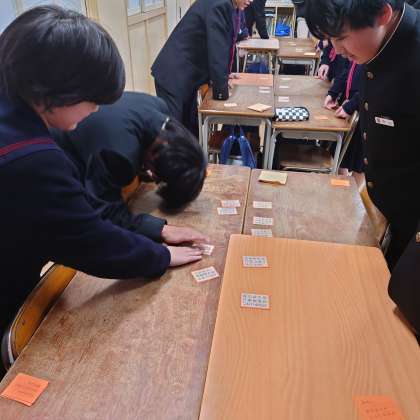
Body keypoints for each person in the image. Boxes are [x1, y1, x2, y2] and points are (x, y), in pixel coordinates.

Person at [0, 5, 204, 375]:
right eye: (93, 100)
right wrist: (159, 255)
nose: (95, 111)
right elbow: (90, 240)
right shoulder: (35, 159)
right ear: (55, 90)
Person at [304, 0, 420, 334]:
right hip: (390, 223)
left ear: (382, 14)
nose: (337, 50)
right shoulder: (375, 44)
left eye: (341, 38)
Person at [51, 91, 208, 243]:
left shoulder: (159, 108)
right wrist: (162, 230)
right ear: (155, 162)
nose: (154, 179)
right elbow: (106, 213)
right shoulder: (121, 154)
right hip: (54, 161)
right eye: (158, 178)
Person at [151, 0, 252, 135]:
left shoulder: (225, 5)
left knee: (189, 132)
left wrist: (224, 76)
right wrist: (221, 90)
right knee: (174, 135)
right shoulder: (219, 5)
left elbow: (219, 45)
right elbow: (217, 50)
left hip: (187, 75)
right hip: (174, 76)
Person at [324, 60, 364, 176]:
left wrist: (352, 105)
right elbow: (347, 71)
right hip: (350, 104)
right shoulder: (357, 56)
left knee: (359, 165)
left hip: (363, 109)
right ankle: (343, 182)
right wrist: (333, 93)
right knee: (342, 157)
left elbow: (372, 85)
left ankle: (354, 187)